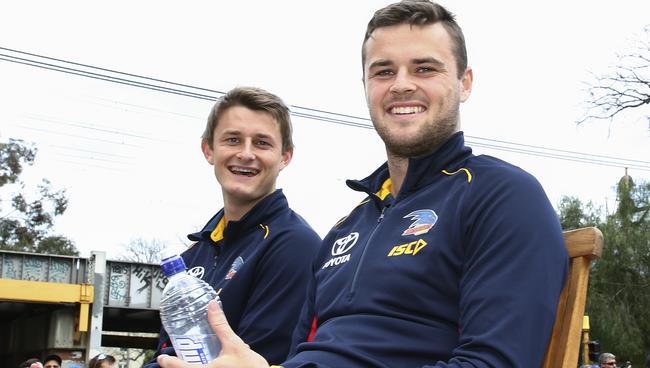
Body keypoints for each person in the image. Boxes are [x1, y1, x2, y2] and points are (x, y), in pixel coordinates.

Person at [157, 1, 568, 367]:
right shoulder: (346, 229)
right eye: (383, 71)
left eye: (424, 68)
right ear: (367, 88)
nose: (401, 84)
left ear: (464, 82)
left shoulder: (502, 195)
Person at [146, 87, 321, 366]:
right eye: (233, 140)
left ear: (285, 157)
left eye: (262, 143)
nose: (246, 153)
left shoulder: (295, 245)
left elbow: (258, 357)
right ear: (208, 150)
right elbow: (166, 353)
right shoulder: (194, 255)